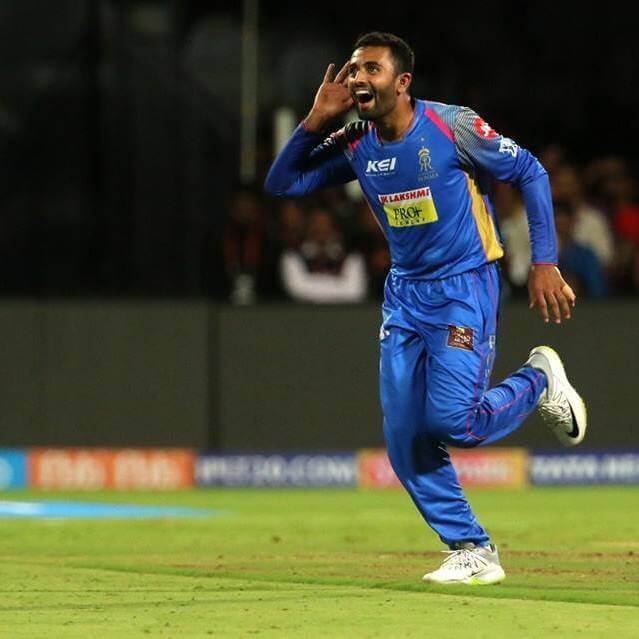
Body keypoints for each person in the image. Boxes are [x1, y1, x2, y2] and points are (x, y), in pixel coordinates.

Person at [264, 32, 587, 585]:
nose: (358, 78)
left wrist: (544, 262)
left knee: (453, 421)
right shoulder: (356, 140)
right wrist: (315, 121)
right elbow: (282, 182)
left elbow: (530, 171)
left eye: (372, 69)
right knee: (404, 434)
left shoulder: (451, 126)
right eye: (354, 69)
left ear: (403, 82)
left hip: (465, 287)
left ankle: (539, 380)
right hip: (406, 295)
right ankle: (472, 549)